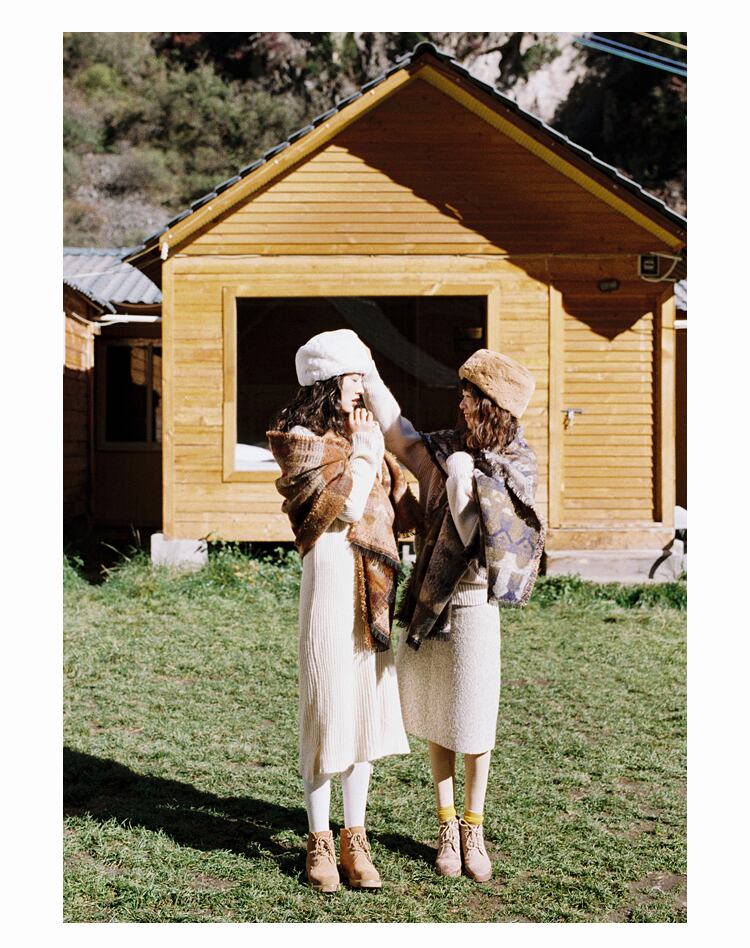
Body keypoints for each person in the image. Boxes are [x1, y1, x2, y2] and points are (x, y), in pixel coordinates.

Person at [363, 347, 545, 882]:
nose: (461, 403)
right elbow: (400, 435)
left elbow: (499, 543)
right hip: (430, 604)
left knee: (475, 721)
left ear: (492, 404)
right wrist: (369, 371)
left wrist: (467, 485)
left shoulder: (517, 465)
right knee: (440, 715)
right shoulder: (445, 452)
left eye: (469, 395)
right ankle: (446, 826)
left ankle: (474, 826)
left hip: (476, 604)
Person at [266, 329, 419, 894]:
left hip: (369, 582)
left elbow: (388, 499)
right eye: (355, 376)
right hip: (330, 578)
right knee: (327, 704)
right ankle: (319, 839)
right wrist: (367, 450)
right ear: (329, 381)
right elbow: (347, 507)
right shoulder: (301, 441)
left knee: (363, 707)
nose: (362, 387)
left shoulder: (359, 434)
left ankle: (356, 836)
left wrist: (372, 448)